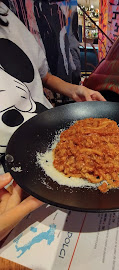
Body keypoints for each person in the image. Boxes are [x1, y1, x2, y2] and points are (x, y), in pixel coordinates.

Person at [0, 1, 105, 240]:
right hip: (6, 187)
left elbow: (43, 75)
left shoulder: (6, 15)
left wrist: (73, 90)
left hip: (51, 144)